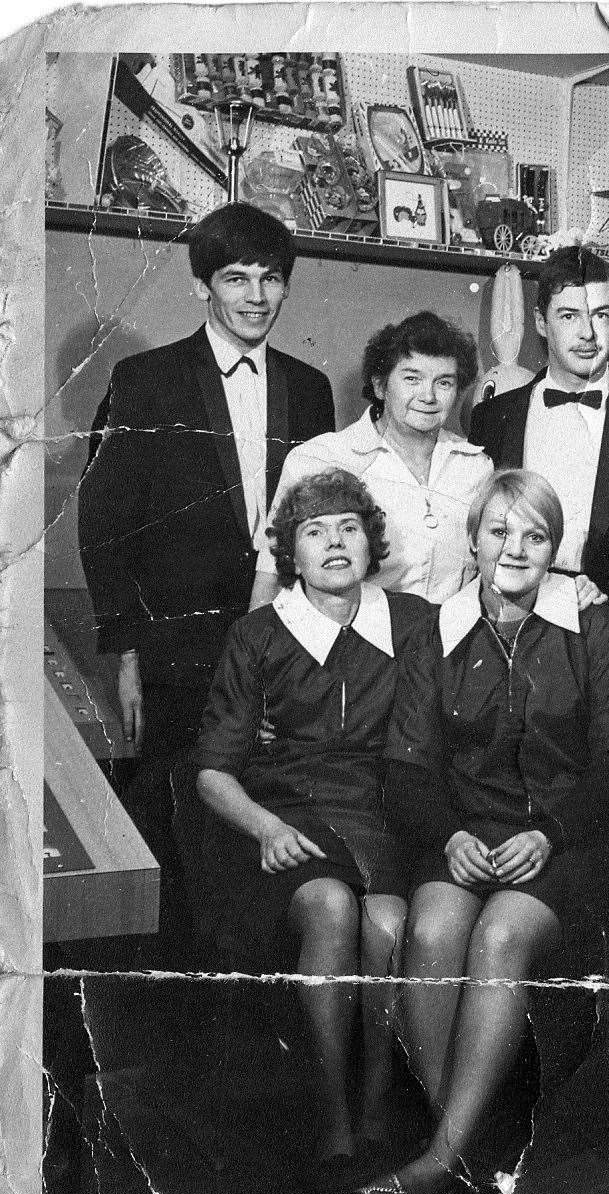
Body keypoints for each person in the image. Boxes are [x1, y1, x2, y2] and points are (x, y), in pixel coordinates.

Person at [342, 470, 609, 1194]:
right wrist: (450, 836)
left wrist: (552, 834)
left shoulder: (595, 628)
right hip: (464, 836)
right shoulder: (434, 633)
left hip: (570, 843)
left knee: (503, 930)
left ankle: (439, 1160)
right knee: (435, 926)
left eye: (534, 536)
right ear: (472, 540)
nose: (515, 549)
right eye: (500, 533)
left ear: (556, 551)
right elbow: (405, 769)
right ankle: (465, 1142)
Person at [78, 201, 336, 960]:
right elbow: (103, 524)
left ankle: (240, 997)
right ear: (202, 287)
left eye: (270, 278)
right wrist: (125, 653)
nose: (256, 296)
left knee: (254, 835)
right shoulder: (145, 379)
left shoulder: (311, 388)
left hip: (278, 650)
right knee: (171, 828)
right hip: (174, 654)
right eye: (235, 278)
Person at [195, 470, 432, 1192]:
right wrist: (265, 829)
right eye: (314, 529)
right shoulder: (258, 633)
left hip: (385, 813)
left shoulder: (418, 622)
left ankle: (377, 1097)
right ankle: (331, 1109)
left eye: (349, 527)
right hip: (284, 809)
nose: (334, 541)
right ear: (289, 554)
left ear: (372, 541)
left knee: (390, 922)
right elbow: (212, 772)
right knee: (330, 906)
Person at [251, 311, 490, 608]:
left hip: (449, 647)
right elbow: (271, 580)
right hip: (350, 645)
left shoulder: (476, 467)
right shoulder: (319, 458)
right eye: (412, 379)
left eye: (444, 382)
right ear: (380, 386)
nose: (428, 396)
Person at [470, 245, 609, 626]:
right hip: (515, 616)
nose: (587, 333)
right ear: (539, 322)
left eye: (601, 315)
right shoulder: (493, 418)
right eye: (569, 316)